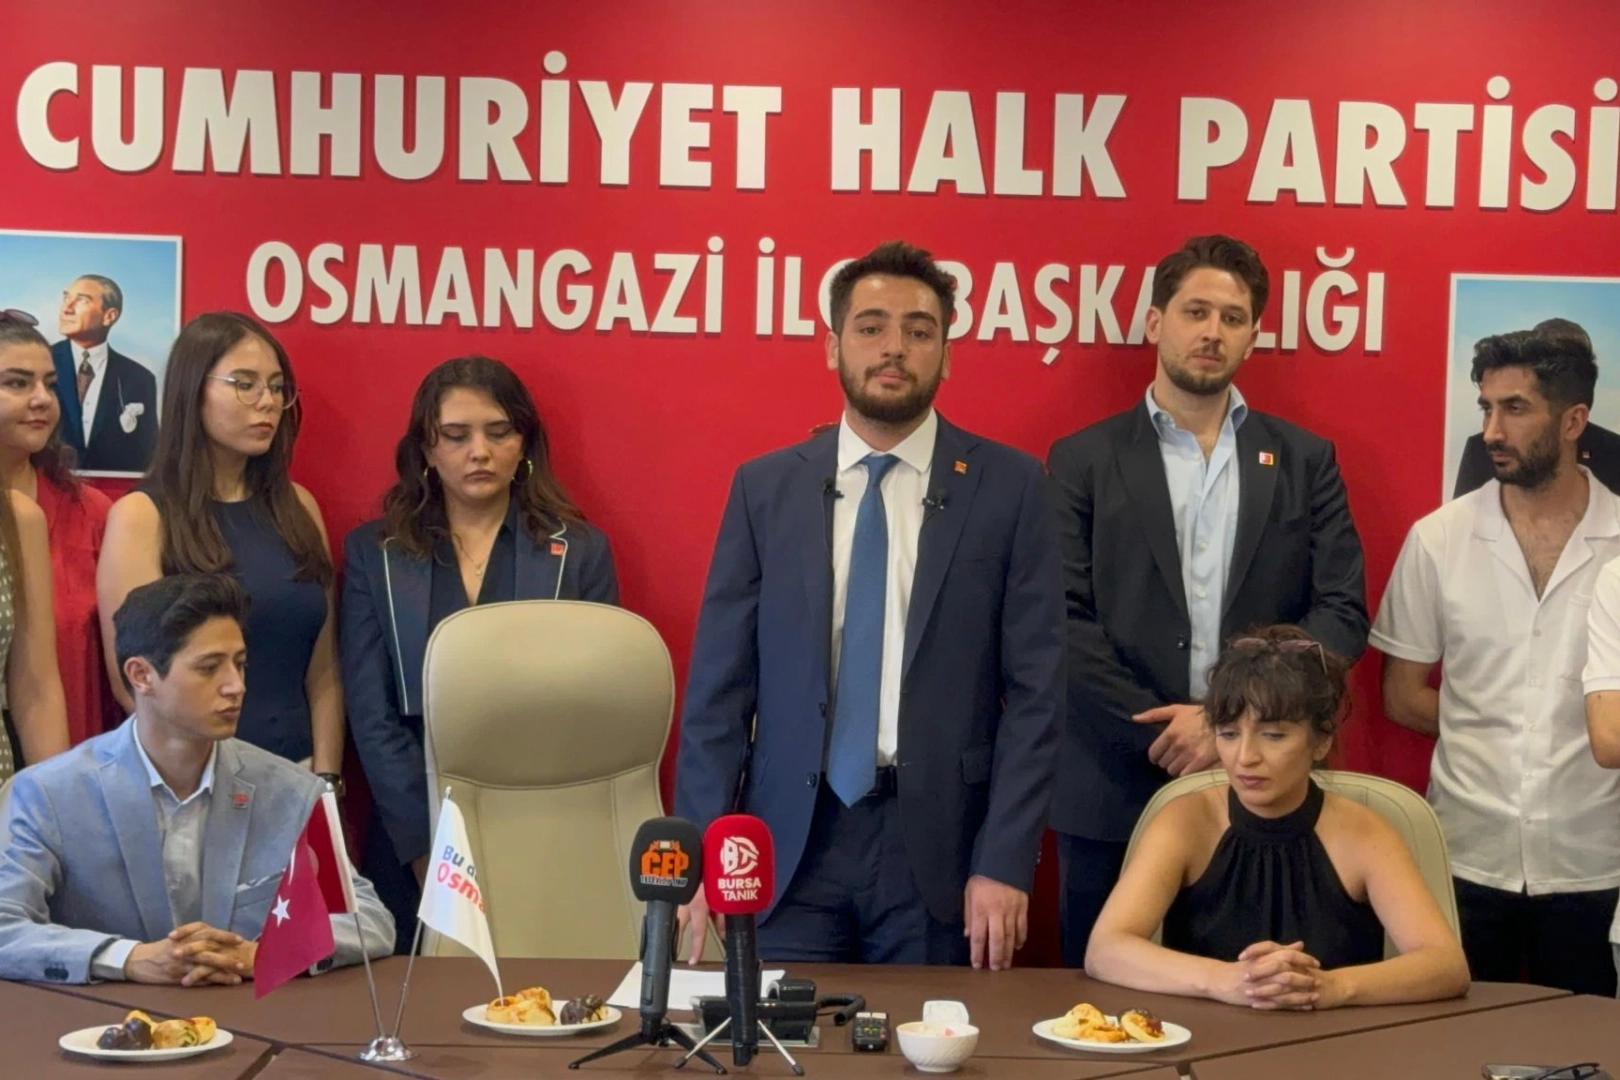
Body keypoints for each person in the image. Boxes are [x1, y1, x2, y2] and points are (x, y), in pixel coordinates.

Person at [674, 241, 1064, 970]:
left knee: (933, 1037)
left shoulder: (1010, 487)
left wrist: (1005, 860)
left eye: (919, 331)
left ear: (947, 355)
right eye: (871, 327)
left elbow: (1039, 696)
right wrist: (699, 848)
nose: (894, 348)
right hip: (791, 845)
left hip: (941, 856)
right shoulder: (766, 489)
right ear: (833, 346)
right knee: (781, 1032)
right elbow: (718, 693)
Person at [1045, 235, 1369, 967]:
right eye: (1195, 312)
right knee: (1099, 1002)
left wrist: (1229, 724)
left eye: (1232, 317)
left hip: (1264, 791)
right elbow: (1060, 622)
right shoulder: (1083, 459)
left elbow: (1341, 612)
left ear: (1253, 337)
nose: (1212, 331)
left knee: (1253, 995)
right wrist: (1168, 731)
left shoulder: (1304, 461)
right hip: (1114, 781)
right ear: (1155, 322)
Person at [1375, 327, 1620, 997]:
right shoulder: (1439, 538)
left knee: (1592, 1043)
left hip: (1596, 860)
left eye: (1515, 409)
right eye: (1486, 408)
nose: (1491, 430)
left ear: (1573, 421)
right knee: (1452, 1043)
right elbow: (1401, 694)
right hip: (1464, 853)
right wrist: (1497, 728)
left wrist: (1566, 734)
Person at [342, 355, 619, 949]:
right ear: (426, 446)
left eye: (499, 432)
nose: (480, 452)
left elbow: (599, 707)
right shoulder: (376, 552)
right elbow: (371, 712)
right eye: (456, 435)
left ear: (524, 443)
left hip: (544, 822)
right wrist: (425, 849)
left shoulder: (581, 552)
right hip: (411, 827)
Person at [0, 574, 393, 985]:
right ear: (141, 675)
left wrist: (264, 953)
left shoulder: (293, 791)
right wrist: (128, 958)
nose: (236, 686)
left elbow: (368, 920)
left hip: (249, 1016)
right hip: (104, 1019)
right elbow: (6, 927)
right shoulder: (47, 794)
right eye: (209, 668)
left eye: (240, 664)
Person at [1085, 627, 1468, 1009]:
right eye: (1229, 734)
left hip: (1333, 1038)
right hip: (1207, 1037)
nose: (1245, 757)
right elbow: (1105, 949)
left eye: (1273, 736)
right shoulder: (1185, 820)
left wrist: (1330, 986)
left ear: (1322, 741)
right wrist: (1226, 980)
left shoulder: (1364, 832)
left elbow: (1446, 965)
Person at [97, 312, 343, 789]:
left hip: (298, 775)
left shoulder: (299, 508)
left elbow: (325, 666)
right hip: (191, 781)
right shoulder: (142, 516)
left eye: (277, 387)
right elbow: (134, 684)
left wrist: (327, 777)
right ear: (193, 392)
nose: (267, 402)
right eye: (244, 384)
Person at [0, 310, 118, 749]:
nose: (42, 399)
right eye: (17, 383)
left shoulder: (92, 513)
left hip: (62, 751)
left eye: (49, 384)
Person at [1453, 318, 1620, 498]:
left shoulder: (1613, 449)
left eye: (1515, 408)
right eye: (1487, 409)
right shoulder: (1480, 448)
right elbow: (1466, 510)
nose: (1491, 435)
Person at [50, 275, 158, 474]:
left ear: (109, 316)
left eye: (82, 300)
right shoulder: (42, 365)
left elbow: (147, 455)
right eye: (66, 298)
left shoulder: (140, 379)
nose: (66, 308)